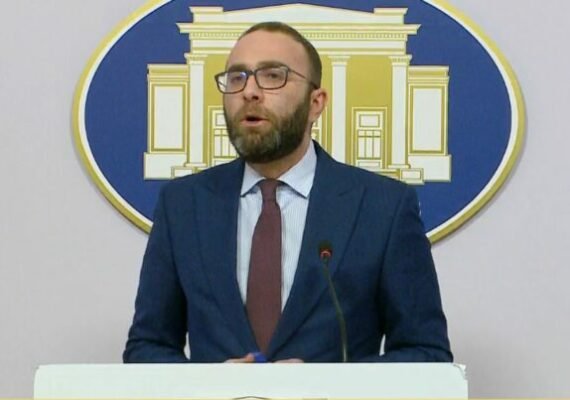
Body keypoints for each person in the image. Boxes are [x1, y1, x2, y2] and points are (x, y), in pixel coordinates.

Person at [123, 21, 452, 363]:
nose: (250, 92)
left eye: (272, 76)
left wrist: (326, 384)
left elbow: (427, 354)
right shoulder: (182, 205)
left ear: (316, 103)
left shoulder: (383, 207)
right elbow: (147, 348)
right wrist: (209, 384)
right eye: (236, 78)